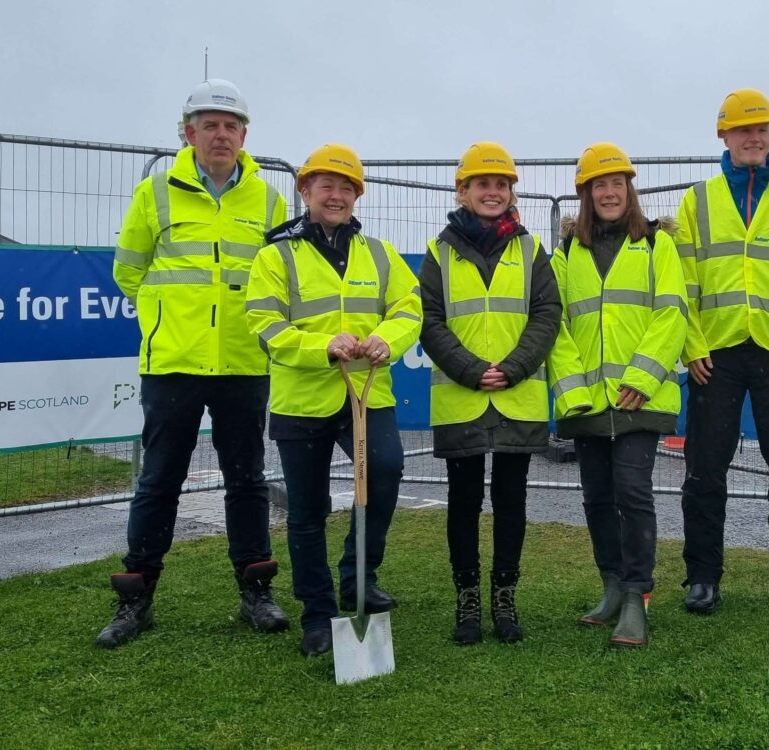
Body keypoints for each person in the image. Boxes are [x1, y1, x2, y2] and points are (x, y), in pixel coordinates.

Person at [100, 79, 289, 648]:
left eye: (231, 126)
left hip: (242, 363)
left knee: (247, 481)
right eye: (210, 124)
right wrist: (170, 322)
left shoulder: (270, 200)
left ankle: (256, 593)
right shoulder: (154, 193)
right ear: (188, 132)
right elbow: (128, 273)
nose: (221, 135)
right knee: (158, 480)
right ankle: (136, 601)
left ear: (245, 135)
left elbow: (278, 279)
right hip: (174, 364)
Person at [245, 144, 421, 656]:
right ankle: (317, 613)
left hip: (367, 394)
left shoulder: (380, 254)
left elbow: (409, 309)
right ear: (305, 190)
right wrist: (320, 346)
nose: (337, 195)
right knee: (306, 509)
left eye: (347, 187)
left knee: (384, 472)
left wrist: (390, 337)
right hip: (302, 400)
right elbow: (265, 325)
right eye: (327, 185)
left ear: (357, 196)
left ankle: (358, 577)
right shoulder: (275, 255)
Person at [675, 88, 769, 614]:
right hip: (714, 355)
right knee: (703, 471)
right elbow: (681, 283)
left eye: (763, 129)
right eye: (745, 130)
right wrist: (691, 345)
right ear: (724, 136)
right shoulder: (697, 201)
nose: (755, 137)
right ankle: (702, 577)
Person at [418, 142, 560, 645]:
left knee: (511, 500)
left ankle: (504, 595)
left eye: (501, 184)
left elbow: (547, 313)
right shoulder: (438, 252)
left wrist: (516, 367)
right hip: (462, 396)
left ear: (510, 192)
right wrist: (471, 370)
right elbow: (429, 320)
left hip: (517, 396)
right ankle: (468, 598)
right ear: (463, 190)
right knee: (462, 501)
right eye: (483, 184)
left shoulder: (531, 249)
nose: (493, 192)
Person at [547, 142, 687, 648]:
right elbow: (555, 324)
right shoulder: (566, 253)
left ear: (630, 190)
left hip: (639, 401)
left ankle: (636, 597)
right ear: (585, 194)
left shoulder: (656, 245)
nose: (608, 193)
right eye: (597, 186)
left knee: (633, 492)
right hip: (588, 404)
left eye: (616, 184)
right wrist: (574, 391)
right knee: (597, 498)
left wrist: (642, 378)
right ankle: (610, 585)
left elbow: (671, 314)